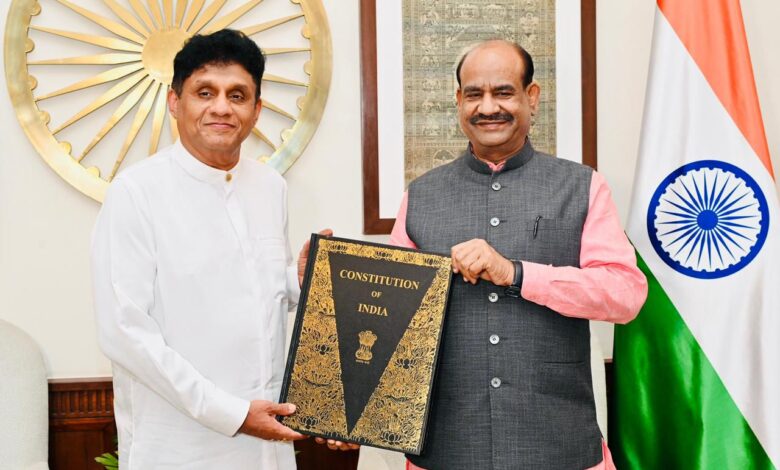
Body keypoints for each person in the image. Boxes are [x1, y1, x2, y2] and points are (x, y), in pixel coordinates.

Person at [388, 40, 649, 469]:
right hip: (448, 449)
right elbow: (390, 316)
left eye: (503, 92)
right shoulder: (420, 196)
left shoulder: (581, 186)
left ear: (532, 97)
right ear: (458, 101)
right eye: (474, 94)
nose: (488, 107)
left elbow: (625, 295)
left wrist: (517, 273)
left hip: (558, 446)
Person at [92, 29, 320, 469]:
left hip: (268, 444)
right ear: (175, 102)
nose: (221, 107)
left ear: (256, 109)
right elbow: (125, 333)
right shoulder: (136, 193)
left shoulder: (270, 186)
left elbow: (256, 293)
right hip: (179, 447)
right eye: (204, 92)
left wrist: (296, 281)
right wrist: (233, 414)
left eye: (237, 95)